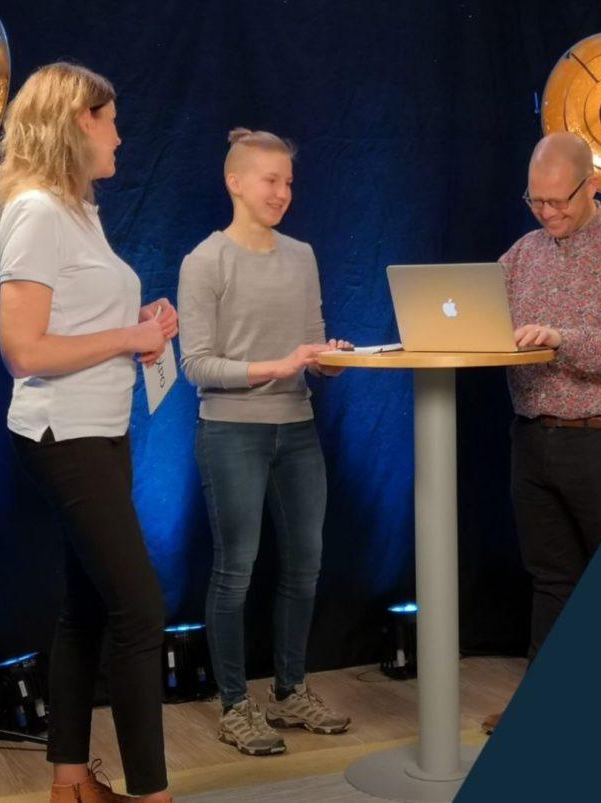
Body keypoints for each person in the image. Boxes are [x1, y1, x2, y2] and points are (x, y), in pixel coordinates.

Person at [0, 62, 176, 803]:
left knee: (91, 606)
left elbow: (86, 321)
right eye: (110, 121)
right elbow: (24, 350)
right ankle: (151, 794)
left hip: (102, 427)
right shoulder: (34, 210)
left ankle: (71, 782)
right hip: (60, 432)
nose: (120, 137)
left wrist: (144, 328)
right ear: (76, 124)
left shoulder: (78, 210)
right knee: (141, 607)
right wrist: (127, 337)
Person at [485, 132, 601, 733]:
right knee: (552, 579)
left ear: (592, 186)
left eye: (558, 201)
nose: (547, 213)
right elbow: (484, 323)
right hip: (535, 440)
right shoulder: (520, 255)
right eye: (536, 202)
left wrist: (559, 337)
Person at [177, 128, 353, 756]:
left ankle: (290, 690)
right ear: (235, 183)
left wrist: (328, 360)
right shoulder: (205, 262)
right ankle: (233, 705)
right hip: (231, 433)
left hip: (298, 429)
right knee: (235, 570)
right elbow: (196, 365)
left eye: (288, 182)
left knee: (305, 565)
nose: (283, 192)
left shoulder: (301, 255)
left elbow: (311, 342)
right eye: (270, 180)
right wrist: (278, 366)